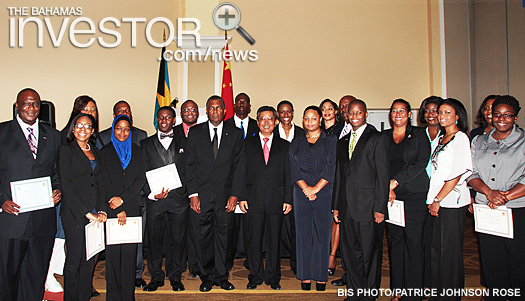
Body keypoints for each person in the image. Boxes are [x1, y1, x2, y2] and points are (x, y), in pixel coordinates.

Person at [0, 88, 62, 300]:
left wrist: (57, 190)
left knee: (36, 276)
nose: (31, 108)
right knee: (7, 277)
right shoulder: (1, 133)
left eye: (35, 104)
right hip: (12, 219)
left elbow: (57, 172)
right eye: (26, 103)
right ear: (17, 106)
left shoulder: (53, 135)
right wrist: (2, 201)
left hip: (42, 221)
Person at [185, 95, 247, 292]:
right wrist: (193, 194)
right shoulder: (195, 133)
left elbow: (240, 167)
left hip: (225, 197)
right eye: (211, 108)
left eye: (218, 108)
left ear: (224, 111)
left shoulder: (236, 134)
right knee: (203, 237)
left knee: (224, 237)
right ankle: (207, 277)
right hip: (201, 197)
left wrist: (235, 194)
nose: (215, 111)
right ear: (207, 111)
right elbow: (189, 165)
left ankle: (221, 276)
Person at [468, 95, 525, 301]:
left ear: (515, 117)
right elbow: (471, 173)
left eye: (507, 115)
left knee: (519, 261)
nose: (501, 119)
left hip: (516, 209)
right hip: (487, 209)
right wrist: (488, 193)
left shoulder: (523, 141)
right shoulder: (479, 141)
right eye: (497, 114)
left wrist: (504, 196)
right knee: (493, 262)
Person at [333, 99, 389, 300]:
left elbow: (383, 176)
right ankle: (356, 293)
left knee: (370, 255)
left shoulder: (377, 138)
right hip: (347, 207)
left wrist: (380, 207)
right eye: (351, 113)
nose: (354, 116)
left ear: (366, 114)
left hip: (368, 208)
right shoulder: (343, 141)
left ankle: (369, 294)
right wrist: (337, 206)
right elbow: (340, 175)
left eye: (358, 113)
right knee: (351, 254)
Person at [240, 106, 293, 290]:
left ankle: (273, 276)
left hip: (276, 200)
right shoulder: (247, 144)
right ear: (257, 122)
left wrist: (288, 199)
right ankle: (255, 275)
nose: (266, 122)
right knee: (253, 240)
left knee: (274, 241)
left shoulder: (284, 146)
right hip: (252, 199)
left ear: (276, 122)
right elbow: (242, 172)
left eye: (270, 119)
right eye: (262, 119)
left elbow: (288, 175)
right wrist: (242, 197)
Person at [383, 99, 430, 300]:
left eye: (402, 110)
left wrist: (396, 182)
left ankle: (414, 292)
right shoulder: (383, 136)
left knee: (413, 242)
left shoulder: (419, 134)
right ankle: (398, 289)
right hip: (391, 196)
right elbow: (379, 164)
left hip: (414, 196)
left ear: (410, 114)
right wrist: (387, 187)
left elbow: (421, 162)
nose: (398, 114)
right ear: (390, 114)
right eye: (395, 110)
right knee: (395, 242)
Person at [98, 100, 148, 288]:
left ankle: (127, 295)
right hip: (111, 209)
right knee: (113, 257)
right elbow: (103, 181)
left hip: (133, 207)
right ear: (113, 129)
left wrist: (124, 200)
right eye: (118, 128)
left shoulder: (138, 151)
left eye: (126, 129)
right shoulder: (104, 152)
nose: (122, 132)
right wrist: (117, 205)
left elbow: (140, 180)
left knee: (129, 255)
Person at [426, 98, 472, 301]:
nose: (441, 116)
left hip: (451, 202)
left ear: (457, 116)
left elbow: (456, 174)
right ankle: (437, 294)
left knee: (450, 252)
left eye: (447, 113)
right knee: (436, 250)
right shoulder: (442, 138)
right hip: (437, 201)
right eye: (440, 112)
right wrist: (432, 200)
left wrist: (438, 199)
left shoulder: (460, 138)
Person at [58, 113, 107, 300]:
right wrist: (86, 213)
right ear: (73, 127)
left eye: (87, 126)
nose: (83, 129)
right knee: (74, 259)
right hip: (74, 214)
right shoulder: (66, 150)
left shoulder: (96, 151)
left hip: (95, 212)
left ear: (92, 131)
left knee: (89, 260)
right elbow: (66, 184)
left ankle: (84, 295)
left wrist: (101, 210)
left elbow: (101, 183)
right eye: (79, 125)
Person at [289, 105, 337, 291]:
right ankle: (305, 275)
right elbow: (293, 166)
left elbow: (331, 166)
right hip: (301, 193)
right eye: (306, 118)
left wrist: (316, 188)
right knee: (303, 235)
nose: (310, 122)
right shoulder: (297, 141)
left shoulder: (331, 141)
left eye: (313, 118)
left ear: (320, 120)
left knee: (322, 235)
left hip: (324, 192)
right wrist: (306, 188)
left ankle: (320, 276)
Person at [141, 106, 188, 292]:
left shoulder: (185, 142)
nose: (164, 120)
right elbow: (141, 173)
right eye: (161, 117)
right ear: (156, 120)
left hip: (179, 201)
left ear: (174, 120)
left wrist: (188, 193)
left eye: (168, 117)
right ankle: (156, 277)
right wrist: (151, 193)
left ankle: (175, 276)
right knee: (154, 240)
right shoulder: (145, 144)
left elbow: (190, 170)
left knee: (177, 240)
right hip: (155, 201)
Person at [224, 92, 258, 271]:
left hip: (253, 183)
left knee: (251, 227)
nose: (242, 104)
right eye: (239, 102)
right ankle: (227, 260)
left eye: (245, 102)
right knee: (230, 227)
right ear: (234, 105)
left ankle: (250, 260)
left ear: (249, 106)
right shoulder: (225, 125)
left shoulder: (257, 125)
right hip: (230, 182)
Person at [274, 100, 304, 275]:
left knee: (295, 226)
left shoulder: (301, 133)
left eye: (288, 112)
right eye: (282, 112)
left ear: (293, 113)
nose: (285, 115)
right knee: (275, 226)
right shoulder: (271, 132)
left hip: (298, 185)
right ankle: (274, 259)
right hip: (276, 186)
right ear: (278, 114)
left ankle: (296, 261)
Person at [417, 95, 442, 290]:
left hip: (442, 197)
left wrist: (438, 197)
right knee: (422, 242)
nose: (431, 114)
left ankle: (438, 285)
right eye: (428, 110)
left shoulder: (449, 136)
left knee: (439, 244)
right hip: (420, 195)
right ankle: (424, 283)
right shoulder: (418, 135)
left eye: (436, 110)